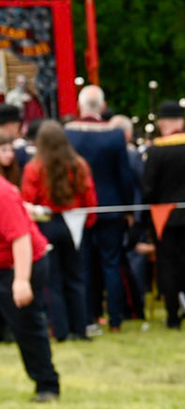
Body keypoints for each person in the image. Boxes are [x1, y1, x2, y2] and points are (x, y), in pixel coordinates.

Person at [67, 86, 139, 332]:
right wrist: (128, 208)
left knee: (84, 264)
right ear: (103, 106)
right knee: (111, 264)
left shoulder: (68, 134)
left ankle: (88, 317)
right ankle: (116, 319)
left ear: (80, 105)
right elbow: (124, 176)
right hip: (112, 207)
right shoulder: (114, 135)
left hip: (79, 209)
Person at [20, 120, 96, 341]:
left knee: (53, 282)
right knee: (76, 278)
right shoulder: (79, 164)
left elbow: (28, 201)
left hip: (46, 226)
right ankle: (80, 329)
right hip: (74, 225)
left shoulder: (34, 167)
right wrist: (88, 221)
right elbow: (89, 196)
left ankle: (61, 331)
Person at [142, 100, 185, 330]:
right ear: (182, 121)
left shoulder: (156, 150)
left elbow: (149, 189)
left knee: (168, 266)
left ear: (163, 123)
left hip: (165, 217)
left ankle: (173, 317)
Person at [0, 169, 58, 401]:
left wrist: (21, 281)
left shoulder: (3, 194)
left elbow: (21, 238)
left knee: (26, 324)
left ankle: (47, 385)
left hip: (24, 262)